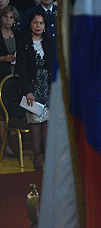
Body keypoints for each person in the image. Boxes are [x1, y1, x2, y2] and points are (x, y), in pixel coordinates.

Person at [16, 9, 54, 170]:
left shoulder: (50, 42)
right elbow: (22, 69)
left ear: (45, 26)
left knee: (47, 122)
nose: (38, 26)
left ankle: (47, 155)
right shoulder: (24, 43)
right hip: (32, 88)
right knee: (35, 123)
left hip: (48, 86)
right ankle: (37, 155)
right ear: (30, 24)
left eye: (41, 23)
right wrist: (28, 91)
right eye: (35, 22)